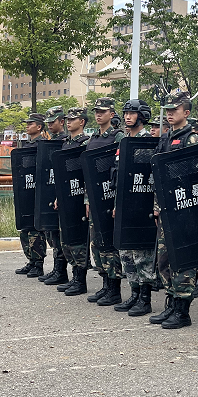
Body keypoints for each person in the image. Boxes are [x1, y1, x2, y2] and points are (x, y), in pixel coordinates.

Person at [150, 91, 198, 329]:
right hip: (166, 207)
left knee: (182, 260)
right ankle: (171, 303)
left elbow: (194, 177)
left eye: (175, 110)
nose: (170, 113)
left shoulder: (192, 139)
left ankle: (183, 310)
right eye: (168, 110)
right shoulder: (165, 138)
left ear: (187, 113)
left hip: (184, 208)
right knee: (165, 258)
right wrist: (157, 205)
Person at [114, 99, 158, 317]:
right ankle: (133, 293)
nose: (127, 117)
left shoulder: (149, 142)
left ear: (142, 116)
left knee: (142, 255)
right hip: (124, 203)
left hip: (142, 203)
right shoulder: (123, 141)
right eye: (126, 113)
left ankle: (145, 298)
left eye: (132, 113)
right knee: (126, 253)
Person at [84, 97, 125, 306]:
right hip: (95, 197)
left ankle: (114, 288)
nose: (98, 115)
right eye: (96, 111)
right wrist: (87, 199)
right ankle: (105, 284)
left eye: (102, 111)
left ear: (111, 114)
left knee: (110, 243)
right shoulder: (93, 138)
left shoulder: (118, 136)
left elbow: (121, 170)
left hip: (110, 196)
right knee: (97, 242)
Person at [55, 107, 90, 296]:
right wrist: (57, 196)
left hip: (79, 197)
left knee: (78, 239)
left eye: (73, 119)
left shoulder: (85, 143)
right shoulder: (66, 143)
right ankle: (74, 276)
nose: (68, 122)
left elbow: (87, 175)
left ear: (82, 122)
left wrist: (86, 199)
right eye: (67, 119)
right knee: (66, 239)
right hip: (66, 195)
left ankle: (80, 279)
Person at [37, 106, 69, 286]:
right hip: (50, 190)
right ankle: (57, 268)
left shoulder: (64, 141)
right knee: (52, 234)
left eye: (53, 122)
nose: (49, 125)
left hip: (61, 192)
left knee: (59, 234)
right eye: (47, 122)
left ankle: (61, 270)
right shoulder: (50, 141)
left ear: (61, 122)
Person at [16, 112, 48, 278]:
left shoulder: (42, 144)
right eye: (27, 123)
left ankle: (38, 263)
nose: (27, 126)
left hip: (38, 191)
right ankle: (31, 261)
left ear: (39, 126)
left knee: (36, 229)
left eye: (30, 124)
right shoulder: (27, 144)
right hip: (26, 190)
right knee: (25, 227)